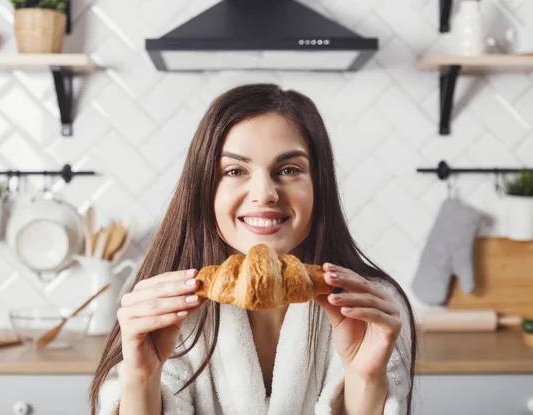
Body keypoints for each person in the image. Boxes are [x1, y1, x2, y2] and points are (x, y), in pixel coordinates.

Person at [89, 83, 416, 415]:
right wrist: (141, 377)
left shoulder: (371, 309)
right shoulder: (160, 306)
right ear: (204, 188)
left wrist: (366, 377)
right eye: (234, 171)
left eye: (289, 170)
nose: (264, 193)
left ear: (319, 185)